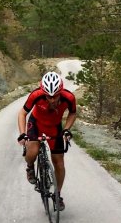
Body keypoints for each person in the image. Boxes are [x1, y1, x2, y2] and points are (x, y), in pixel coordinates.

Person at [17, 71, 77, 211]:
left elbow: (73, 113)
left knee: (59, 163)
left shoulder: (69, 97)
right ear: (43, 92)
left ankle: (57, 195)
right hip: (36, 124)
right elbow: (23, 113)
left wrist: (67, 129)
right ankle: (30, 167)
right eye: (48, 96)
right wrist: (22, 134)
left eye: (55, 96)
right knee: (32, 151)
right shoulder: (36, 95)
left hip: (55, 127)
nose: (51, 99)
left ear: (60, 91)